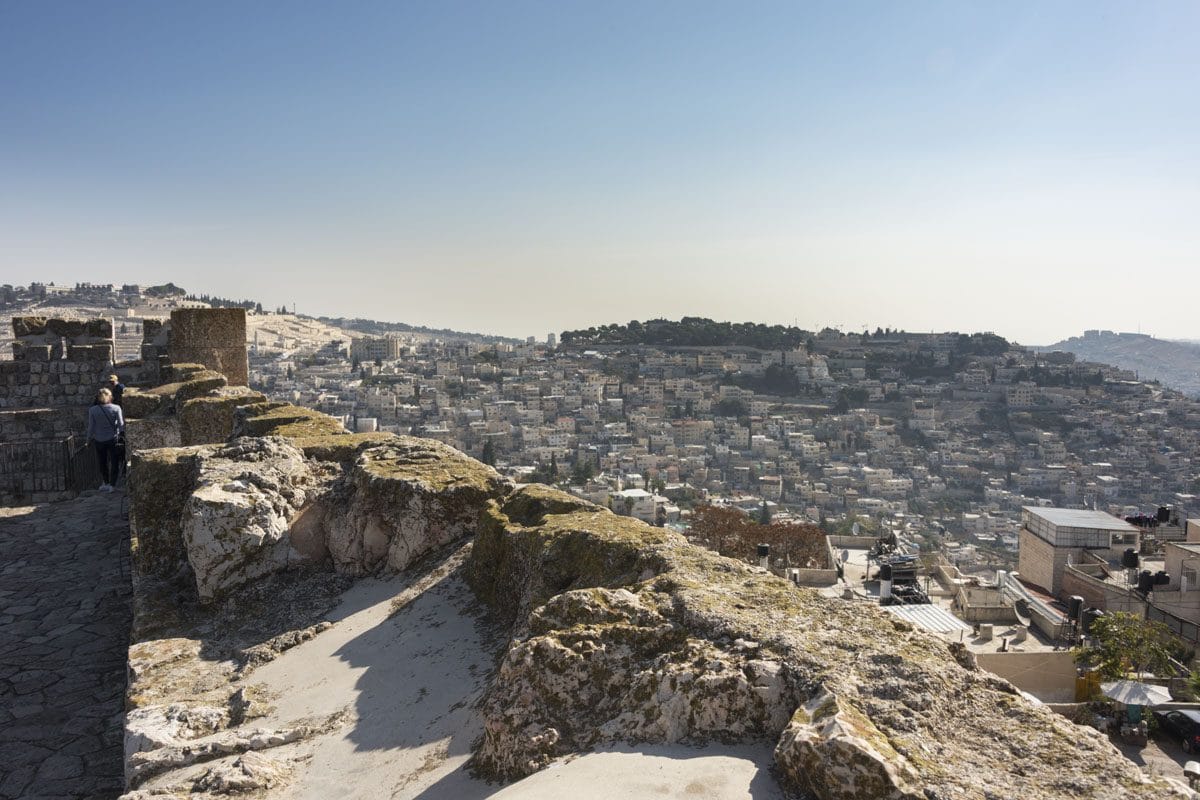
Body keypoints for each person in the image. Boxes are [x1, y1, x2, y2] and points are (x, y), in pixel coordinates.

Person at [87, 387, 125, 492]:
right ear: (110, 397)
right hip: (113, 439)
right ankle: (112, 485)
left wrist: (88, 440)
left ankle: (106, 482)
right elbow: (121, 424)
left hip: (99, 439)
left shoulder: (93, 410)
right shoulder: (116, 408)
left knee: (102, 462)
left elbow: (91, 427)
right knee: (114, 462)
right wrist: (122, 436)